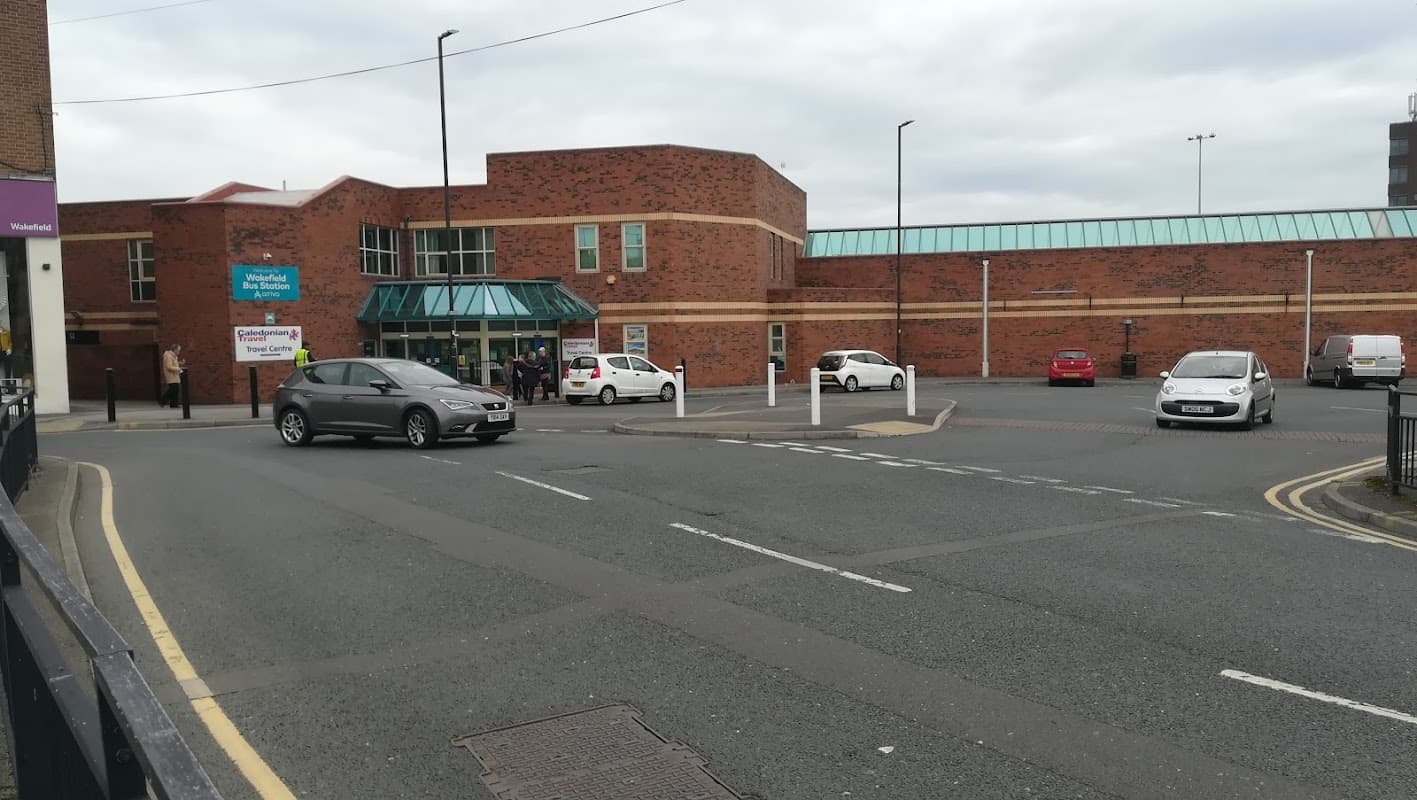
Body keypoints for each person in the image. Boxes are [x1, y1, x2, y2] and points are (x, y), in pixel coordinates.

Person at [160, 344, 184, 408]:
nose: (179, 352)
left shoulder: (173, 356)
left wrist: (179, 363)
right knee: (172, 390)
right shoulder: (169, 356)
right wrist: (179, 369)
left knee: (175, 390)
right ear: (175, 350)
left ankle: (174, 404)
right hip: (171, 376)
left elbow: (173, 363)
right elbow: (169, 366)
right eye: (178, 350)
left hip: (174, 375)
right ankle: (162, 401)